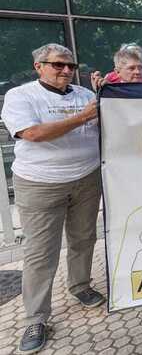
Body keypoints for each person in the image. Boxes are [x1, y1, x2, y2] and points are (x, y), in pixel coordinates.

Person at [1, 44, 105, 354]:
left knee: (84, 239)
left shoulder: (85, 95)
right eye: (58, 65)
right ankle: (36, 317)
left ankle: (81, 286)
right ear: (39, 66)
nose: (66, 71)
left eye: (71, 66)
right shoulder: (21, 96)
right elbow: (32, 134)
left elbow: (100, 128)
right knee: (40, 252)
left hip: (86, 178)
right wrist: (83, 117)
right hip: (40, 183)